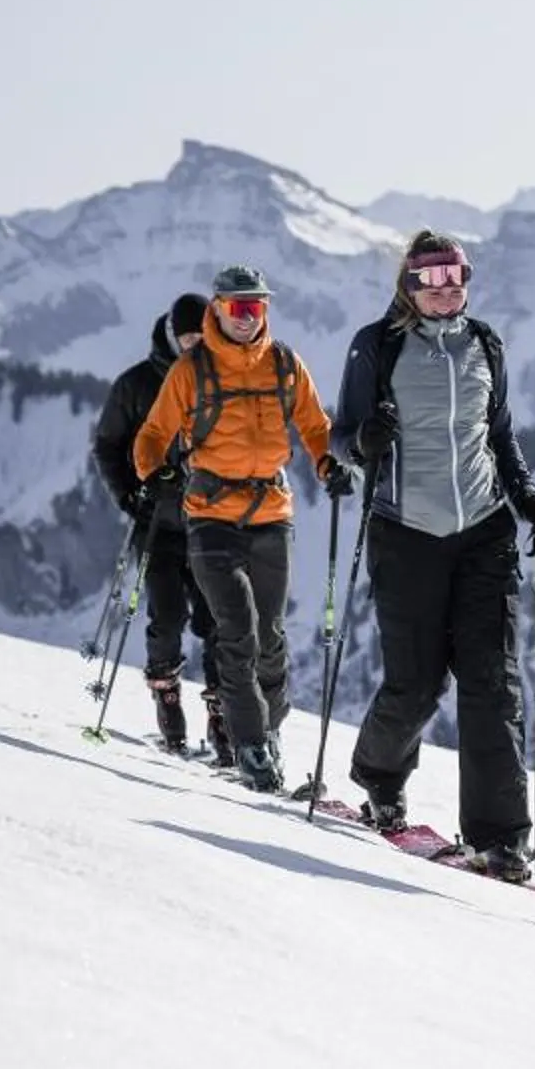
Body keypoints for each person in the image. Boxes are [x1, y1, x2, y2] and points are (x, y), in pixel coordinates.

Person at [330, 231, 535, 877]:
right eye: (431, 279)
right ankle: (380, 775)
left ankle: (501, 836)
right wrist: (364, 442)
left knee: (493, 684)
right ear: (409, 283)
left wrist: (530, 498)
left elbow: (501, 435)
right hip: (404, 533)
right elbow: (341, 437)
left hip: (484, 532)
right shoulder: (376, 346)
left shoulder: (485, 344)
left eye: (456, 278)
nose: (446, 291)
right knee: (417, 684)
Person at [132, 263, 351, 793]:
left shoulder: (284, 364)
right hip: (210, 515)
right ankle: (249, 746)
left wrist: (328, 464)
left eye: (256, 307)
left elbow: (315, 425)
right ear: (218, 309)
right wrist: (153, 470)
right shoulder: (193, 368)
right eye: (237, 307)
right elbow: (155, 432)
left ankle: (268, 731)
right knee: (237, 631)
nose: (248, 318)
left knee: (271, 638)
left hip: (272, 513)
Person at [90, 293, 228, 759]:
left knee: (217, 622)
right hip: (158, 523)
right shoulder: (137, 384)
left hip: (213, 522)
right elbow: (108, 444)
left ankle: (220, 709)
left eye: (202, 338)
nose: (194, 346)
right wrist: (129, 496)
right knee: (167, 614)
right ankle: (166, 690)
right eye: (187, 337)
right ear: (172, 335)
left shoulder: (222, 379)